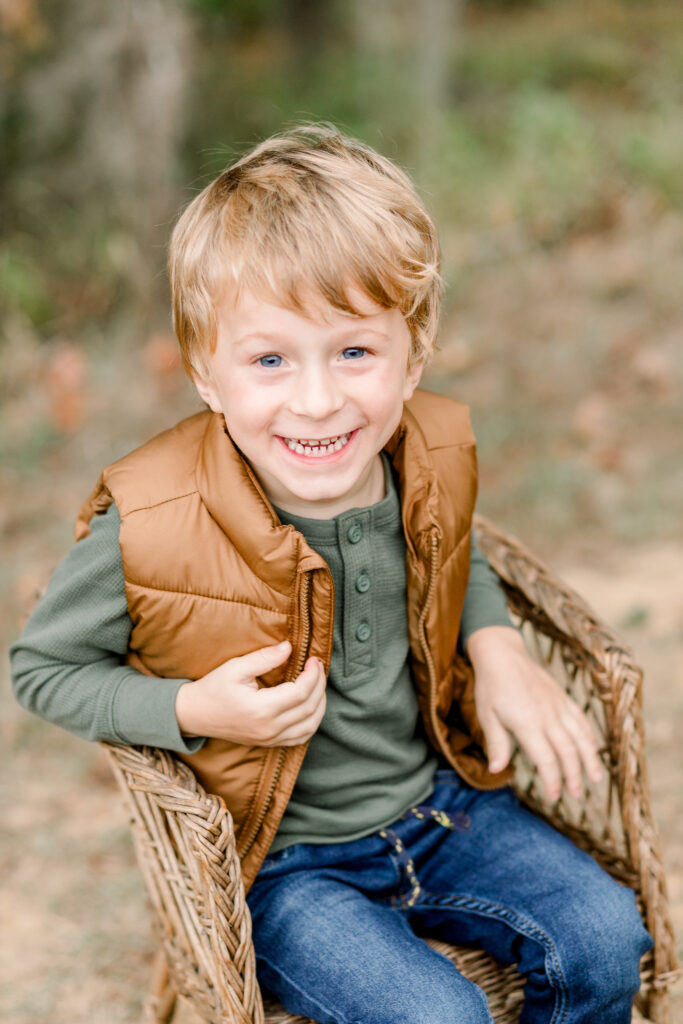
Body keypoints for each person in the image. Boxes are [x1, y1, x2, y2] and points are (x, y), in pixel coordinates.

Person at [11, 125, 651, 1023]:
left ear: (412, 355)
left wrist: (494, 638)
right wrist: (191, 709)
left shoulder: (424, 457)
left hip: (440, 810)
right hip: (282, 861)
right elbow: (41, 672)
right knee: (436, 1016)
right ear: (205, 373)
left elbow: (449, 550)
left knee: (603, 935)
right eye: (269, 360)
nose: (316, 400)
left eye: (354, 351)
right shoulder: (151, 521)